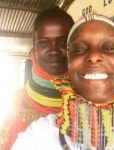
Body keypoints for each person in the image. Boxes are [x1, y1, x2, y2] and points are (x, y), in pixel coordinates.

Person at [12, 14, 114, 150]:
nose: (94, 56)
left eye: (108, 48)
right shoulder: (39, 135)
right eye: (79, 49)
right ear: (68, 63)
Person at [0, 7, 74, 150]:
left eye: (62, 41)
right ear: (34, 46)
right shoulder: (16, 100)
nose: (53, 50)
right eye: (44, 42)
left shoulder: (92, 102)